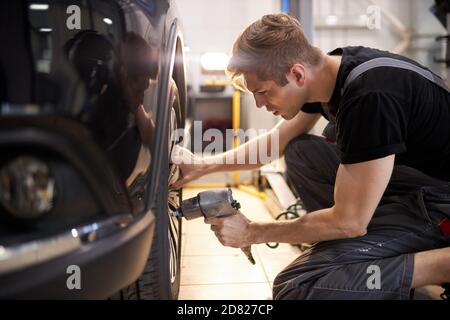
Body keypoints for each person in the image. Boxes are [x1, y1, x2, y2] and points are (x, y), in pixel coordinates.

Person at [172, 13, 450, 299]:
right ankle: (354, 247)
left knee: (298, 288)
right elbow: (275, 143)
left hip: (439, 205)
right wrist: (201, 166)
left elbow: (350, 222)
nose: (259, 103)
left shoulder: (370, 96)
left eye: (264, 92)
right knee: (300, 151)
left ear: (297, 74)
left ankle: (439, 265)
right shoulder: (328, 72)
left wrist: (252, 232)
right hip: (409, 184)